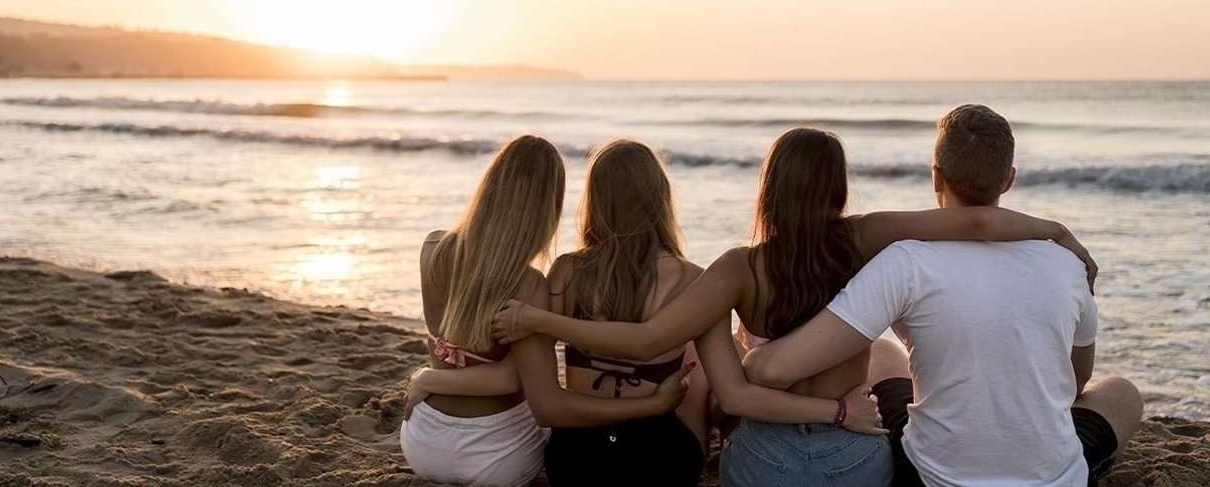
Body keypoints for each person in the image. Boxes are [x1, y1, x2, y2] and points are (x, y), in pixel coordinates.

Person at [492, 128, 1096, 485]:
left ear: (769, 186)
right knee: (883, 351)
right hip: (855, 458)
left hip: (763, 462)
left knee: (737, 362)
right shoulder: (864, 236)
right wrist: (1057, 231)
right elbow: (976, 219)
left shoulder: (736, 269)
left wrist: (540, 319)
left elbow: (657, 344)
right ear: (838, 189)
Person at [418, 139, 881, 486]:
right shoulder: (695, 279)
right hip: (660, 458)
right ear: (661, 197)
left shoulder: (562, 274)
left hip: (577, 459)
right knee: (698, 371)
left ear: (594, 202)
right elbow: (726, 391)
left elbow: (538, 394)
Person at [740, 105, 1145, 487]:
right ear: (1009, 179)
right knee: (1120, 391)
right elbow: (1073, 384)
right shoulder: (1067, 264)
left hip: (932, 476)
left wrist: (754, 354)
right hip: (1053, 477)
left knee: (882, 352)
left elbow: (772, 370)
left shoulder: (905, 259)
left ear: (936, 177)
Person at [400, 135, 574, 487]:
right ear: (547, 207)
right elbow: (510, 378)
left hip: (423, 440)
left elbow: (441, 349)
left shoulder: (433, 248)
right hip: (497, 456)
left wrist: (428, 377)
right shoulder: (529, 284)